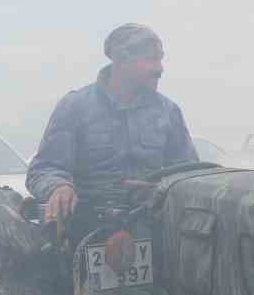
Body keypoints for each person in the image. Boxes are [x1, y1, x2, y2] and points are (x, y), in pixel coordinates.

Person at [26, 23, 195, 239]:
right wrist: (58, 187)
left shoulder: (168, 112)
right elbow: (43, 169)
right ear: (122, 60)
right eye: (151, 59)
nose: (159, 68)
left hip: (154, 230)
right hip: (83, 231)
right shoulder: (75, 107)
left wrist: (162, 190)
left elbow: (189, 174)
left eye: (160, 59)